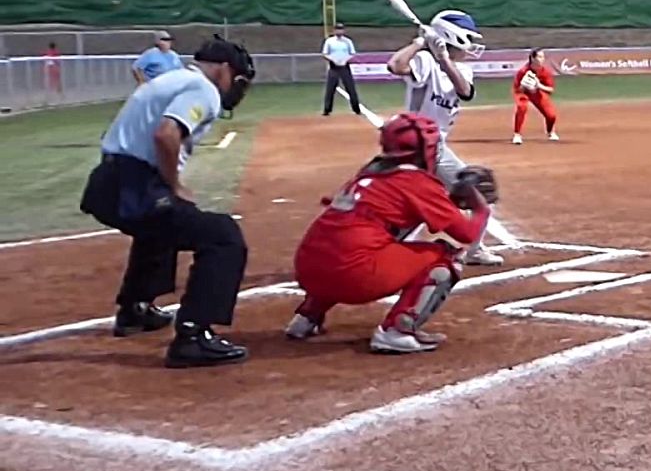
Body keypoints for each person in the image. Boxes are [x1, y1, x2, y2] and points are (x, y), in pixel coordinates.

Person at [78, 35, 256, 368]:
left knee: (166, 223)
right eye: (237, 78)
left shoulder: (171, 78)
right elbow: (166, 133)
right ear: (222, 70)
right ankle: (193, 336)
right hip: (132, 184)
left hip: (106, 183)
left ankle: (135, 310)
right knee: (223, 237)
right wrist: (174, 183)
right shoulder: (201, 87)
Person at [288, 113, 491, 354]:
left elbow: (397, 208)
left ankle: (306, 318)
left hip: (308, 269)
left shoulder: (368, 174)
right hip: (352, 277)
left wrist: (447, 201)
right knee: (445, 257)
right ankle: (397, 331)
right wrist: (481, 209)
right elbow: (466, 234)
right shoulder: (417, 181)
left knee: (351, 243)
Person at [385, 9, 502, 266]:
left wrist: (444, 58)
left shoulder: (461, 69)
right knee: (474, 192)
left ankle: (389, 246)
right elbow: (395, 66)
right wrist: (419, 43)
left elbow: (465, 91)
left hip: (435, 145)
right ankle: (474, 250)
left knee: (421, 203)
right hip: (418, 144)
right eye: (468, 38)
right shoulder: (424, 61)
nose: (471, 45)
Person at [512, 48, 559, 144]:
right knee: (522, 107)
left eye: (543, 57)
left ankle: (550, 132)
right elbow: (517, 89)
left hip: (537, 92)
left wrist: (539, 86)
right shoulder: (523, 71)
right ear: (533, 58)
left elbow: (551, 90)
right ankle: (517, 135)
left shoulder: (545, 72)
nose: (542, 59)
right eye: (540, 57)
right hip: (524, 92)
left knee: (551, 115)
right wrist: (524, 85)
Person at [320, 22, 363, 115]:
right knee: (330, 89)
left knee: (350, 88)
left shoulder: (347, 41)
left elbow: (352, 53)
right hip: (333, 67)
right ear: (334, 30)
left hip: (345, 66)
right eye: (337, 29)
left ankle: (356, 108)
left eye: (341, 29)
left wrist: (345, 60)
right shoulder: (329, 41)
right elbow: (324, 54)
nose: (339, 31)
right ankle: (327, 109)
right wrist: (333, 60)